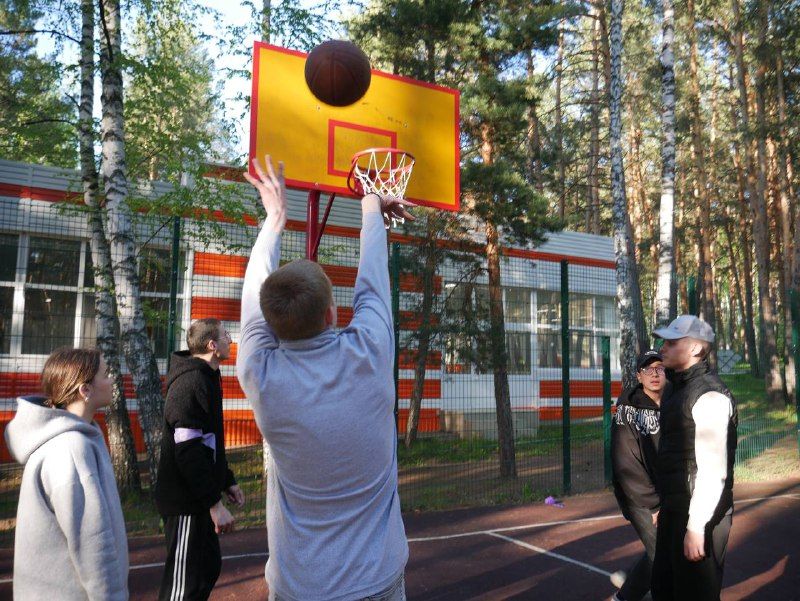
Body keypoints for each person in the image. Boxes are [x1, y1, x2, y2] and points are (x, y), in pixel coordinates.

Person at [237, 155, 414, 601]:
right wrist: (370, 204)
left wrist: (274, 220)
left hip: (301, 587)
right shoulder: (369, 353)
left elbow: (255, 303)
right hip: (377, 581)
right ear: (334, 314)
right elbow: (373, 280)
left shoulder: (259, 373)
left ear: (271, 327)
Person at [5, 347, 129, 600]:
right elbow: (92, 538)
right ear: (86, 390)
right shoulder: (72, 447)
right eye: (105, 374)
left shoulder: (78, 438)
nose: (112, 379)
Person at [155, 318, 245, 601]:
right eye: (226, 336)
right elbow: (189, 451)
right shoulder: (191, 383)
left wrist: (226, 480)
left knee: (207, 567)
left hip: (200, 499)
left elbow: (209, 442)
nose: (231, 340)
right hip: (186, 504)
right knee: (182, 589)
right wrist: (213, 504)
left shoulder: (207, 377)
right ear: (212, 345)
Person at [650, 315, 738, 601]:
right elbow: (678, 457)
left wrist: (696, 527)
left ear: (696, 350)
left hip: (701, 519)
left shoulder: (710, 395)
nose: (663, 347)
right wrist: (670, 505)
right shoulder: (678, 389)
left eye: (672, 342)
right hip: (678, 512)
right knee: (665, 590)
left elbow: (712, 471)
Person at [609, 349, 666, 601]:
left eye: (660, 368)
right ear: (639, 376)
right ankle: (625, 596)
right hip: (638, 494)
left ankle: (636, 580)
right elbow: (627, 464)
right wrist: (654, 504)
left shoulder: (674, 404)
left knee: (666, 548)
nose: (654, 373)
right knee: (662, 550)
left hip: (666, 491)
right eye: (648, 369)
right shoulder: (627, 410)